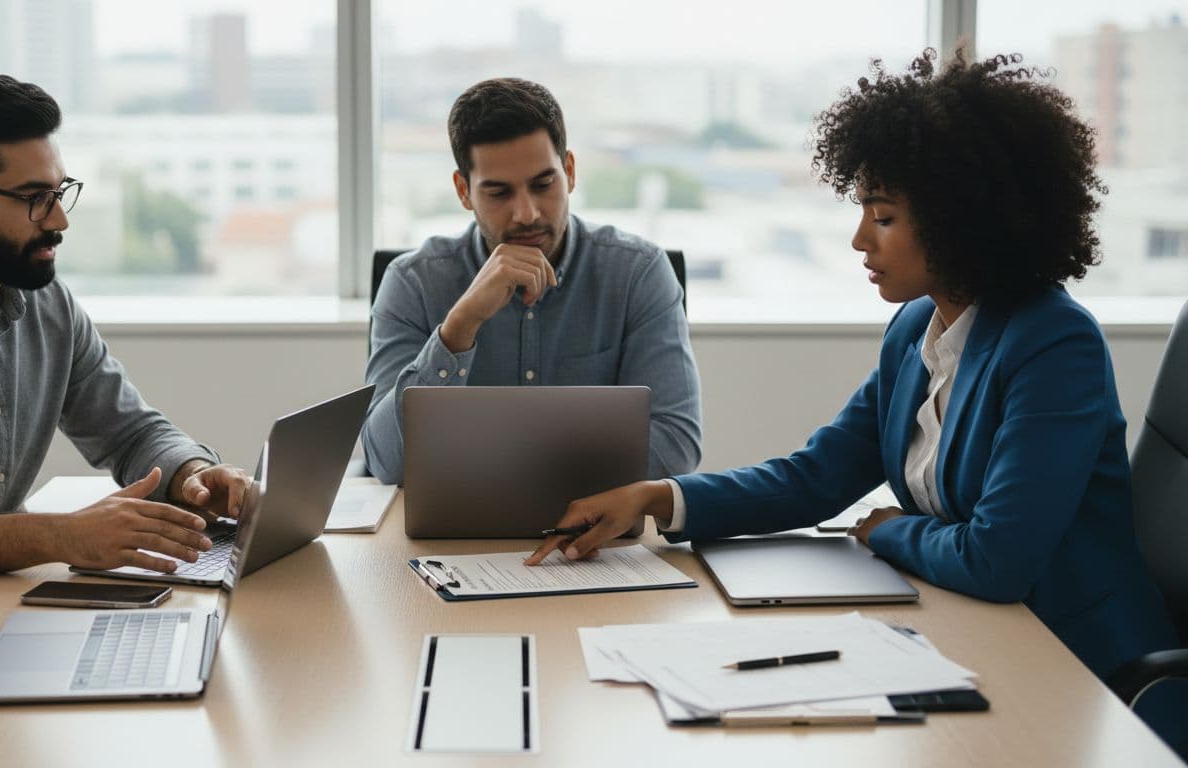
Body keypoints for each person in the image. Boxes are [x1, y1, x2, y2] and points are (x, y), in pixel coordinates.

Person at [528, 51, 1179, 686]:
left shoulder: (1053, 344)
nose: (860, 240)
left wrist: (893, 531)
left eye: (884, 216)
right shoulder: (913, 331)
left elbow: (996, 560)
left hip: (1082, 671)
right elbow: (817, 477)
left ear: (963, 220)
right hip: (976, 634)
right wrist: (658, 499)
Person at [0, 73, 248, 639]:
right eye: (34, 199)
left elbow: (132, 433)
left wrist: (195, 475)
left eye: (60, 193)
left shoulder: (45, 304)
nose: (59, 220)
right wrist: (62, 536)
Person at [362, 77, 702, 485]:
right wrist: (458, 328)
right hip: (448, 541)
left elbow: (677, 447)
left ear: (570, 172)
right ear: (463, 191)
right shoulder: (413, 283)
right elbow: (385, 461)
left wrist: (497, 463)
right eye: (499, 193)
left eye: (543, 185)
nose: (526, 213)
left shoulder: (637, 274)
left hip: (597, 540)